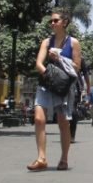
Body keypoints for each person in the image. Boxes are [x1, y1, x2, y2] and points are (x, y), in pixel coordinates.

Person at [28, 10, 81, 171]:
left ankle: (64, 159)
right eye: (51, 21)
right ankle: (41, 158)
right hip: (47, 83)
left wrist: (59, 58)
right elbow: (38, 63)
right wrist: (48, 75)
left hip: (63, 86)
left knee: (63, 122)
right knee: (38, 119)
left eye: (55, 20)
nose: (52, 23)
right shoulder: (46, 42)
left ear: (64, 22)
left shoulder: (73, 43)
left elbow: (77, 67)